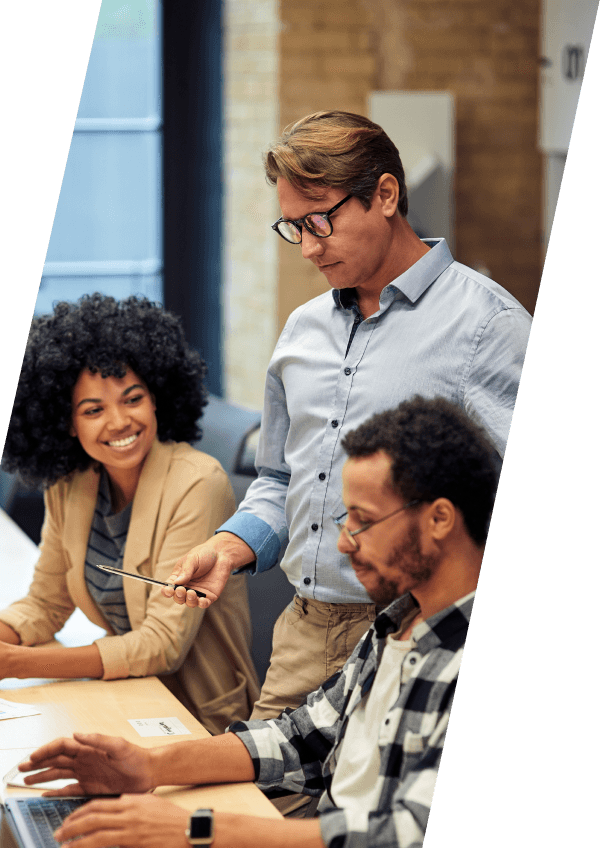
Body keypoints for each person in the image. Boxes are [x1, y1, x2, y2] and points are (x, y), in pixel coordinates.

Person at [19, 396, 497, 848]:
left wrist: (198, 831)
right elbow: (303, 736)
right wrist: (150, 768)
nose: (343, 543)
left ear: (440, 518)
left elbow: (406, 846)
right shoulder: (397, 621)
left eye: (362, 522)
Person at [161, 110, 531, 719]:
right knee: (259, 806)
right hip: (306, 633)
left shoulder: (488, 326)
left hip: (427, 638)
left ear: (385, 194)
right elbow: (281, 479)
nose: (308, 247)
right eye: (292, 228)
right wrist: (230, 547)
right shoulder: (301, 332)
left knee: (390, 815)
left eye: (320, 221)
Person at [0, 294, 259, 735]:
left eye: (132, 399)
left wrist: (15, 664)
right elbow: (45, 604)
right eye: (93, 410)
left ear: (157, 398)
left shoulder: (198, 483)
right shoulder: (72, 481)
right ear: (66, 423)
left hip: (202, 720)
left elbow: (162, 644)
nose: (118, 422)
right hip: (126, 698)